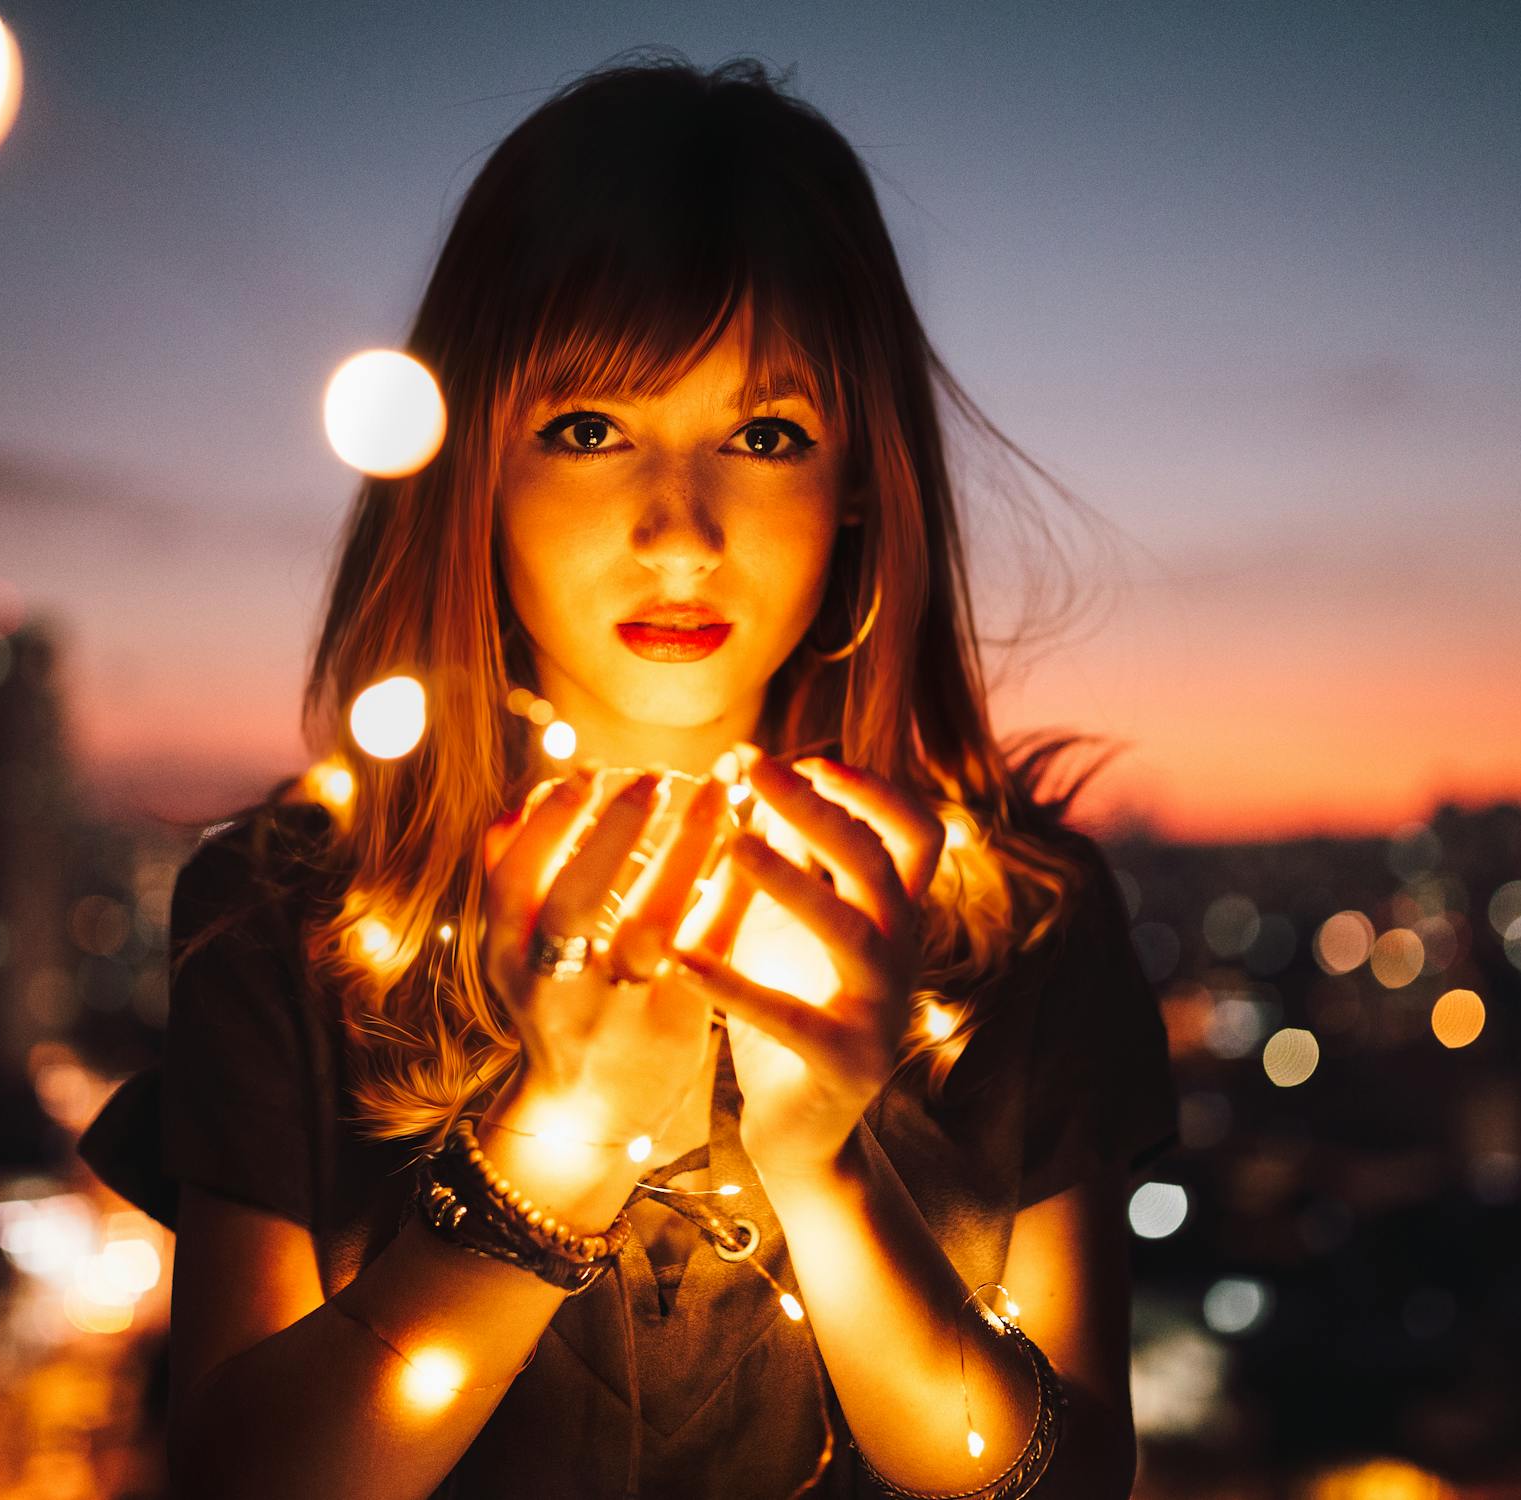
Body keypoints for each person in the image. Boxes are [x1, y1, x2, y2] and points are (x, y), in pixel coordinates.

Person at [78, 51, 1178, 1500]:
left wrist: (824, 1172)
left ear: (860, 477)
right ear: (475, 464)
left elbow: (1069, 1479)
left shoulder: (1015, 924)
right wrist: (556, 1147)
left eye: (763, 434)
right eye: (588, 428)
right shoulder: (297, 915)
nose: (678, 534)